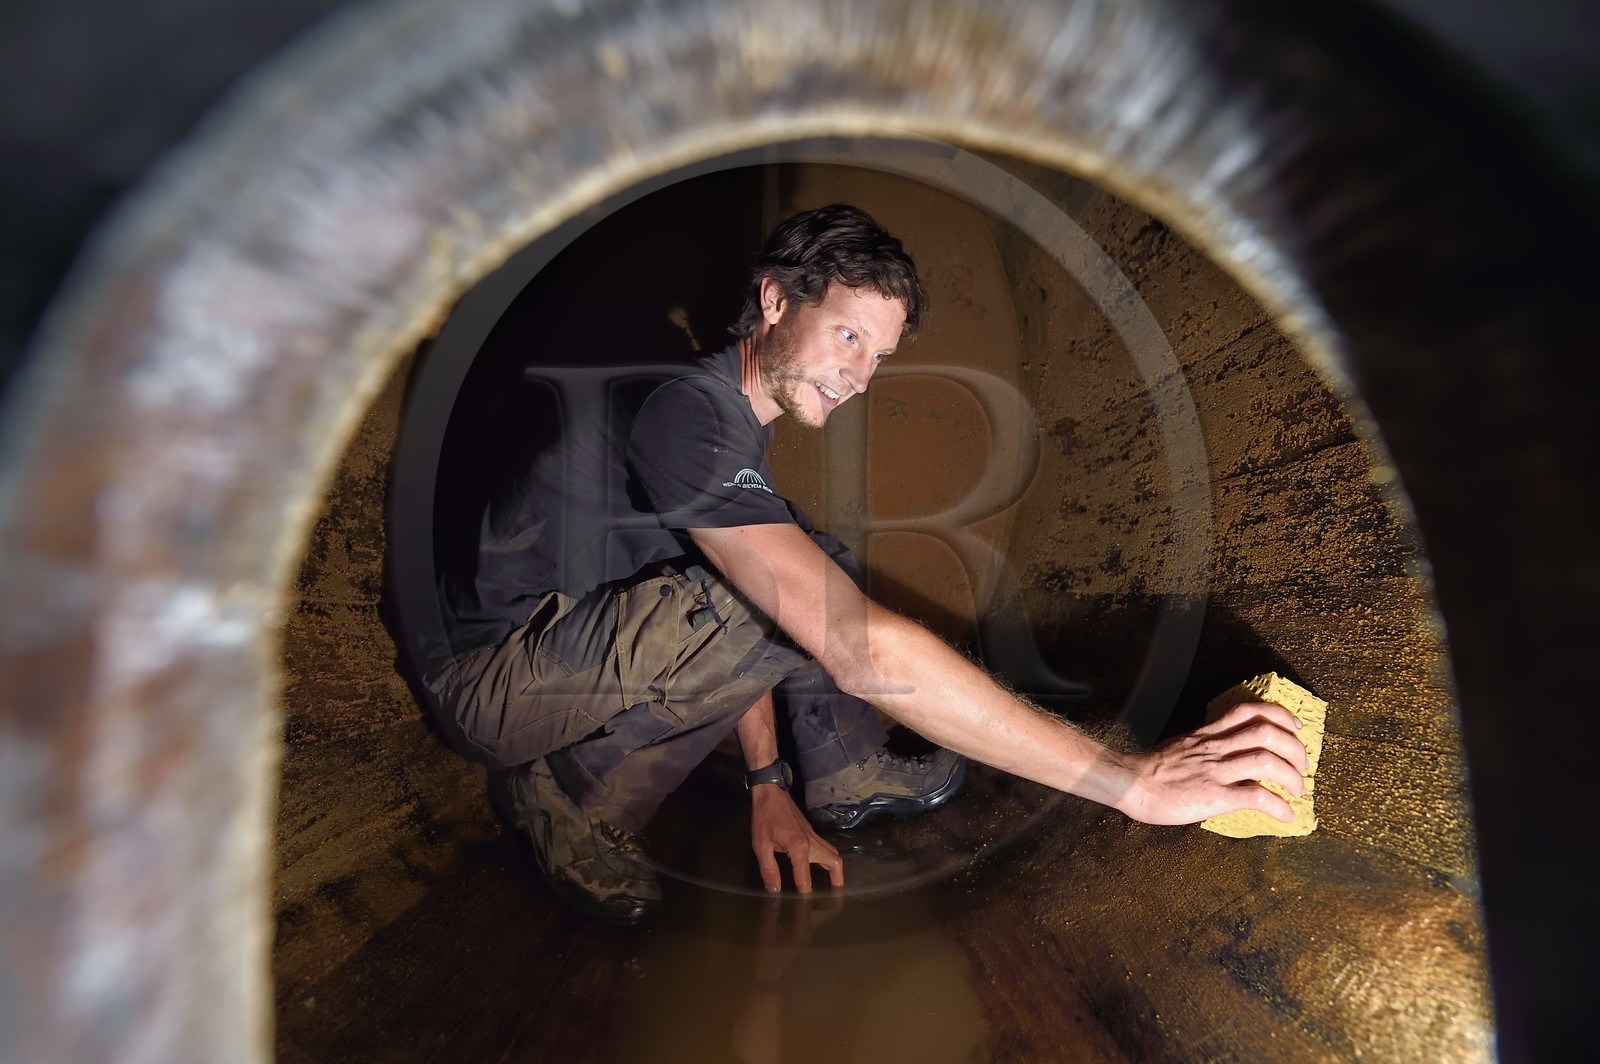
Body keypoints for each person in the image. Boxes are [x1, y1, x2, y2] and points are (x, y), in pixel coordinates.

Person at [426, 204, 1309, 926]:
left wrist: (769, 784)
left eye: (878, 356)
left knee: (799, 566)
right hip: (496, 682)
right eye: (847, 337)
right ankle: (568, 801)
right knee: (806, 590)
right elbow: (844, 640)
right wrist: (1131, 782)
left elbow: (733, 616)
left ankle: (836, 771)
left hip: (565, 663)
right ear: (774, 302)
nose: (860, 377)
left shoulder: (724, 427)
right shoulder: (683, 412)